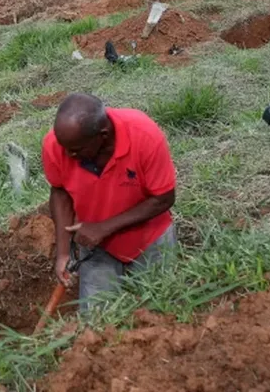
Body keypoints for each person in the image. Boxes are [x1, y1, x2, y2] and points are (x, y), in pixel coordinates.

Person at [42, 94, 176, 312]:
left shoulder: (144, 136)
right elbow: (60, 192)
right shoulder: (57, 144)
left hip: (150, 238)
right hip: (97, 247)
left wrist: (104, 227)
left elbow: (164, 198)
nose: (67, 154)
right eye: (64, 147)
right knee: (95, 322)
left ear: (102, 135)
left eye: (75, 150)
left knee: (161, 311)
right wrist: (64, 252)